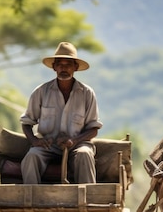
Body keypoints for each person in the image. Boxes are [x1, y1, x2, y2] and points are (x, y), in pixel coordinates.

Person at [20, 42, 102, 184]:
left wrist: (74, 141)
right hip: (48, 146)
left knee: (85, 154)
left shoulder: (87, 93)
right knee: (32, 156)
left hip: (77, 144)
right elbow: (27, 123)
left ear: (75, 67)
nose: (64, 69)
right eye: (60, 64)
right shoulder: (41, 92)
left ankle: (87, 201)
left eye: (68, 64)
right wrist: (35, 141)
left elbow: (93, 129)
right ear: (54, 67)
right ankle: (30, 201)